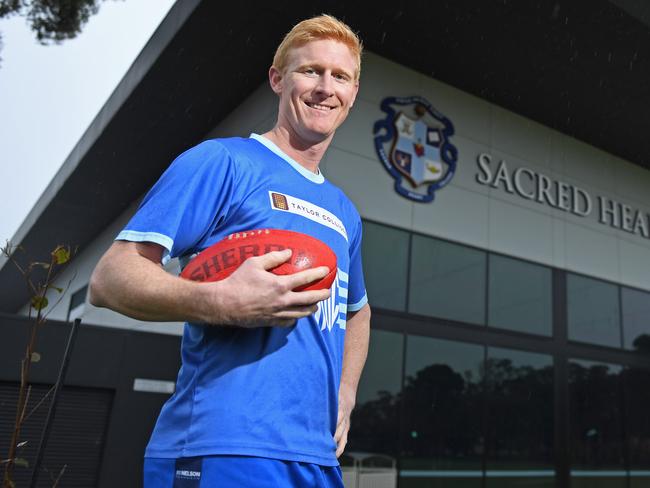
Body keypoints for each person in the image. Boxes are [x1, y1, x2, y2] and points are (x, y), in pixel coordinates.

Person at [89, 13, 370, 488]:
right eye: (310, 71)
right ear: (278, 80)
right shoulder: (221, 162)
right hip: (222, 446)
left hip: (317, 458)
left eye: (339, 76)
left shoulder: (345, 212)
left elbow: (357, 311)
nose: (326, 87)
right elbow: (109, 278)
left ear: (353, 94)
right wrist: (224, 301)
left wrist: (345, 392)